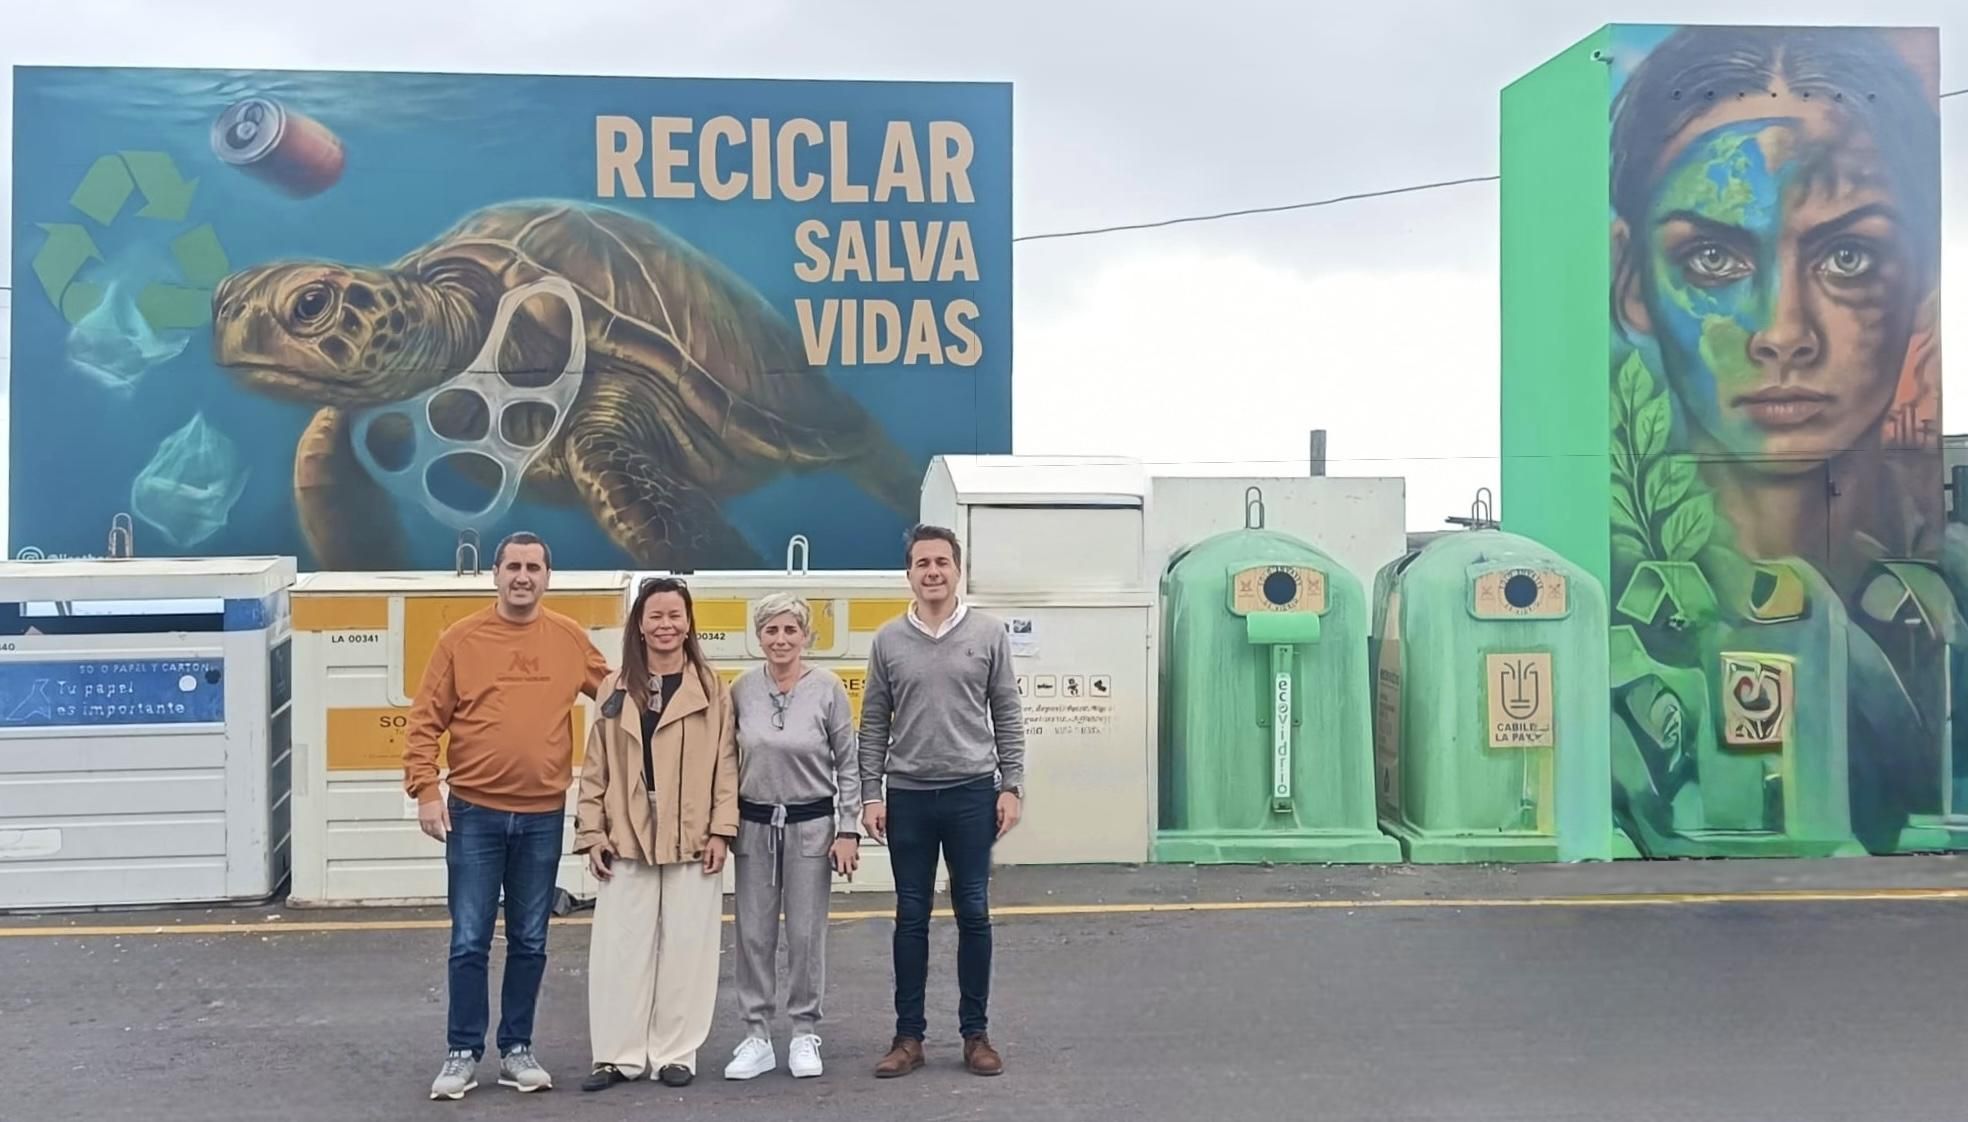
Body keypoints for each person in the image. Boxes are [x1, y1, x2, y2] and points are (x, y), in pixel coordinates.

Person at [404, 531, 611, 1101]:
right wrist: (426, 790)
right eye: (513, 567)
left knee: (531, 939)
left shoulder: (569, 638)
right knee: (469, 940)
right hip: (473, 815)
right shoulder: (460, 639)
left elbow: (617, 696)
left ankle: (517, 1049)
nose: (523, 577)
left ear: (548, 577)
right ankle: (462, 1053)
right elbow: (424, 722)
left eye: (534, 568)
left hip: (543, 815)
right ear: (494, 574)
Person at [859, 523, 1025, 1078]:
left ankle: (975, 1035)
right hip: (907, 795)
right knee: (911, 915)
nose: (932, 572)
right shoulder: (887, 640)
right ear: (908, 573)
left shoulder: (988, 634)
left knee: (973, 912)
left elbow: (1007, 714)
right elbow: (874, 723)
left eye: (942, 563)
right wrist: (869, 795)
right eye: (922, 563)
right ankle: (909, 1038)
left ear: (958, 570)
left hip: (972, 793)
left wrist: (1012, 785)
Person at [573, 575, 738, 1093]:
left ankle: (675, 1053)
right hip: (625, 832)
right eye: (655, 616)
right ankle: (617, 1056)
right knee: (620, 947)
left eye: (675, 616)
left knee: (689, 945)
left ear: (688, 623)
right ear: (639, 625)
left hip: (692, 833)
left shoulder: (713, 689)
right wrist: (590, 832)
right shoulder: (613, 687)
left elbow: (727, 766)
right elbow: (594, 766)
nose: (666, 625)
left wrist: (721, 830)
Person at [722, 593, 862, 1081]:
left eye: (790, 631)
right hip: (754, 827)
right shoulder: (740, 689)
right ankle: (756, 1035)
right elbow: (723, 764)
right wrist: (721, 828)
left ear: (805, 636)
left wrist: (848, 830)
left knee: (805, 934)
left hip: (811, 829)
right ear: (758, 637)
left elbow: (849, 763)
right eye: (771, 631)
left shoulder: (827, 689)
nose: (780, 640)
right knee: (753, 934)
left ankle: (804, 1031)